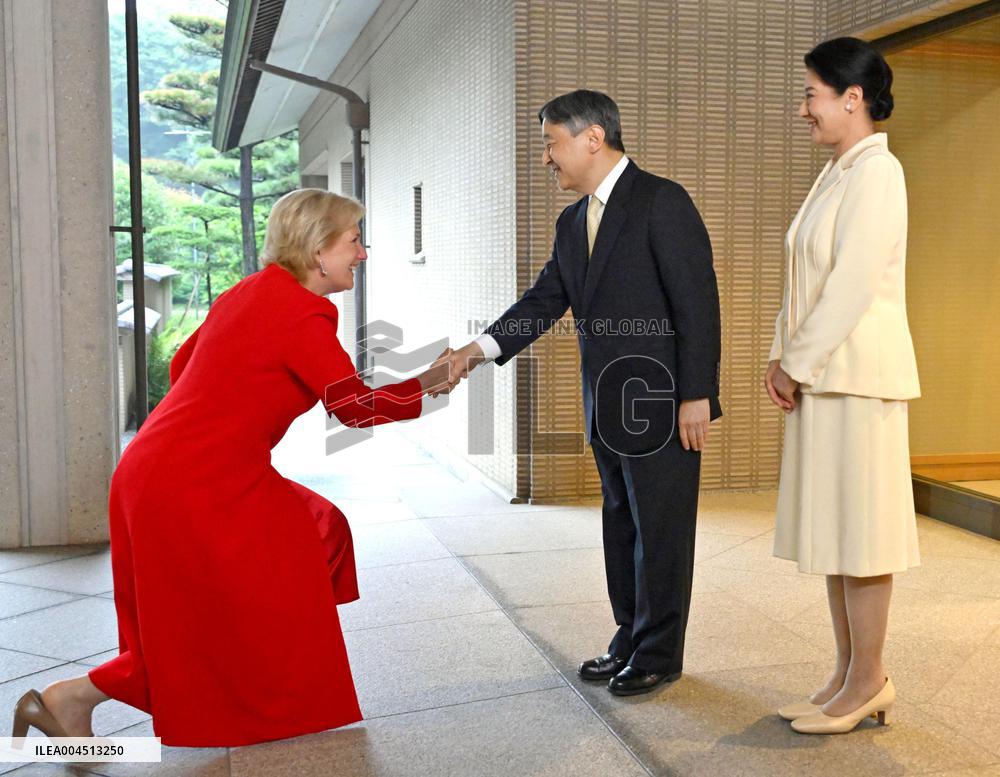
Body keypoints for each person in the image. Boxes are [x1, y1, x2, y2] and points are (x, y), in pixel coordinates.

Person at [11, 189, 457, 747]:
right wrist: (429, 384)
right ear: (318, 249)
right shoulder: (300, 310)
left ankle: (75, 700)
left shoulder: (255, 289)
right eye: (353, 240)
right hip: (194, 479)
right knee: (254, 577)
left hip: (166, 466)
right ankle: (74, 697)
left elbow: (181, 364)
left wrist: (224, 424)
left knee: (312, 532)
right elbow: (355, 407)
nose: (362, 253)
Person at [442, 90, 722, 696]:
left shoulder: (661, 201)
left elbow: (696, 301)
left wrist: (697, 393)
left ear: (593, 137)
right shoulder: (573, 221)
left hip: (663, 400)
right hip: (607, 402)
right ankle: (631, 634)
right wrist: (476, 350)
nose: (547, 157)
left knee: (662, 530)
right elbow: (546, 300)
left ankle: (660, 652)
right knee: (621, 525)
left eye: (551, 142)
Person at [765, 38, 921, 734]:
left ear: (852, 97)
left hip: (857, 380)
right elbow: (805, 281)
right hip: (827, 376)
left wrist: (797, 362)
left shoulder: (877, 174)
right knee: (835, 531)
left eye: (811, 94)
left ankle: (870, 678)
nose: (804, 109)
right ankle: (844, 672)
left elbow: (854, 282)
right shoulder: (836, 171)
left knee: (863, 534)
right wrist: (782, 353)